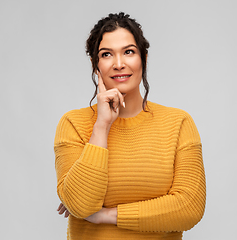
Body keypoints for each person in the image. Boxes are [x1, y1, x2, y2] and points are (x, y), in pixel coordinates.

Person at [54, 12, 206, 240]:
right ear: (95, 64)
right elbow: (81, 205)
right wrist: (102, 126)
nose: (119, 64)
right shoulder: (73, 124)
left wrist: (106, 215)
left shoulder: (178, 123)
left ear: (143, 58)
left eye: (128, 52)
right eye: (106, 54)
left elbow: (189, 208)